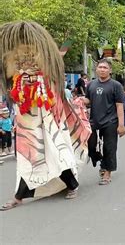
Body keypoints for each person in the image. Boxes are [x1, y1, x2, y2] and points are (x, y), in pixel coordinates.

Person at [0, 21, 91, 210]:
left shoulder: (46, 58)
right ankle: (19, 196)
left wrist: (71, 36)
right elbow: (9, 76)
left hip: (48, 114)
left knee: (56, 151)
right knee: (28, 157)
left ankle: (72, 184)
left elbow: (57, 61)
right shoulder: (12, 59)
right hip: (26, 116)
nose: (26, 57)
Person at [82, 58, 125, 186]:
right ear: (96, 69)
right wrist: (79, 101)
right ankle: (99, 158)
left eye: (105, 68)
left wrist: (121, 125)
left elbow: (119, 106)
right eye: (100, 67)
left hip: (110, 121)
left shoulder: (116, 86)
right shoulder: (91, 84)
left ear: (110, 70)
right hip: (94, 120)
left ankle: (107, 172)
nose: (102, 69)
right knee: (90, 144)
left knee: (109, 148)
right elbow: (88, 101)